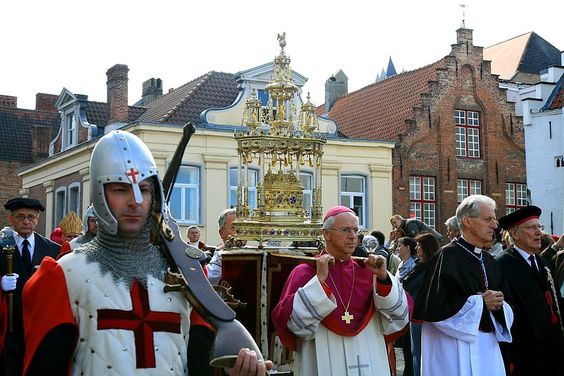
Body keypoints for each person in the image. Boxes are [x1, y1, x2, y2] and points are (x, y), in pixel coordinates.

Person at [21, 130, 270, 375]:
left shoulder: (185, 273)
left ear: (156, 196)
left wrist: (235, 373)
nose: (135, 201)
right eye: (120, 189)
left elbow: (200, 365)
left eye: (144, 189)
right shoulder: (63, 275)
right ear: (99, 193)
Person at [272, 206, 409, 376]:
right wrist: (319, 281)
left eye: (355, 230)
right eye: (345, 230)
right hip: (320, 359)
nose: (353, 236)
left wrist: (383, 279)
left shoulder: (370, 271)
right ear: (326, 234)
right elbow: (295, 325)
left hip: (369, 357)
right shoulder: (306, 272)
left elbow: (399, 316)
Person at [412, 195, 513, 376]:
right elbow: (434, 307)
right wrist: (480, 303)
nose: (495, 225)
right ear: (467, 221)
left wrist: (499, 305)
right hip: (453, 348)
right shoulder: (446, 256)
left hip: (487, 346)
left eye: (494, 219)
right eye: (488, 219)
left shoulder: (489, 260)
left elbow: (506, 303)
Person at [496, 206, 564, 375]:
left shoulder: (544, 264)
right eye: (532, 227)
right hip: (524, 354)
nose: (539, 232)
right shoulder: (502, 265)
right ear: (514, 233)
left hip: (551, 351)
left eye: (539, 227)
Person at [0, 197, 60, 375]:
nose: (26, 221)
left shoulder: (53, 250)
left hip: (40, 322)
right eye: (20, 217)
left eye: (31, 217)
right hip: (10, 322)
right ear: (11, 219)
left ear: (38, 219)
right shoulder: (2, 247)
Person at [404, 233, 440, 376]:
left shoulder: (430, 267)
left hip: (423, 316)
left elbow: (410, 285)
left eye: (419, 245)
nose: (416, 248)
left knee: (421, 354)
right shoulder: (420, 265)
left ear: (426, 248)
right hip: (416, 315)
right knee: (417, 354)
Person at [207, 208, 237, 285]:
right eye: (233, 227)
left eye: (243, 227)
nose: (239, 232)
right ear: (221, 233)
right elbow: (209, 280)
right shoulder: (220, 256)